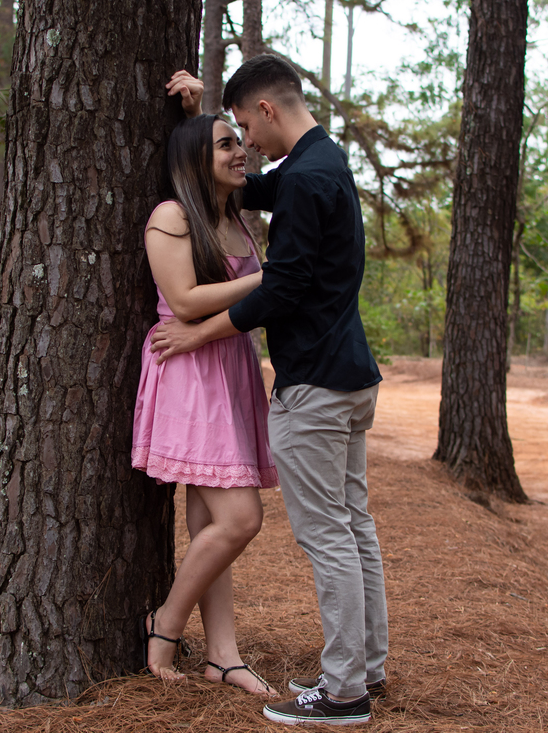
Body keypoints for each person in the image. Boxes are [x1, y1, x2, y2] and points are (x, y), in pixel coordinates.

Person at [156, 57, 387, 726]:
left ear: (266, 111)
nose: (246, 148)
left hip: (315, 386)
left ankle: (344, 692)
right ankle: (366, 667)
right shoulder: (323, 163)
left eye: (245, 132)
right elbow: (237, 185)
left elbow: (281, 291)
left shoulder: (308, 179)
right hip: (348, 378)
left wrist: (197, 336)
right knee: (355, 530)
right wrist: (194, 119)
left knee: (331, 540)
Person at [132, 105, 279, 697]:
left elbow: (235, 301)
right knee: (242, 519)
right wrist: (272, 277)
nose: (240, 150)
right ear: (197, 157)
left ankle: (223, 654)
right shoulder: (171, 214)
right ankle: (165, 624)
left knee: (211, 521)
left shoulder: (235, 216)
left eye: (240, 141)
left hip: (230, 364)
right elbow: (186, 299)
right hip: (190, 370)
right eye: (225, 145)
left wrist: (198, 101)